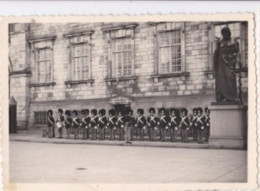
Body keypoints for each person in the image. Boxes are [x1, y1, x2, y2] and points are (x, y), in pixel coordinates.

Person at [214, 26, 240, 103]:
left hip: (231, 64)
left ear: (229, 33)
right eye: (223, 33)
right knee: (221, 81)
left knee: (231, 78)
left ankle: (232, 97)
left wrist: (237, 62)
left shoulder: (234, 42)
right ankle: (222, 97)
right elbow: (216, 54)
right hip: (221, 65)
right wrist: (215, 68)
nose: (225, 34)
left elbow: (237, 53)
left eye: (226, 33)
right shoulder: (220, 43)